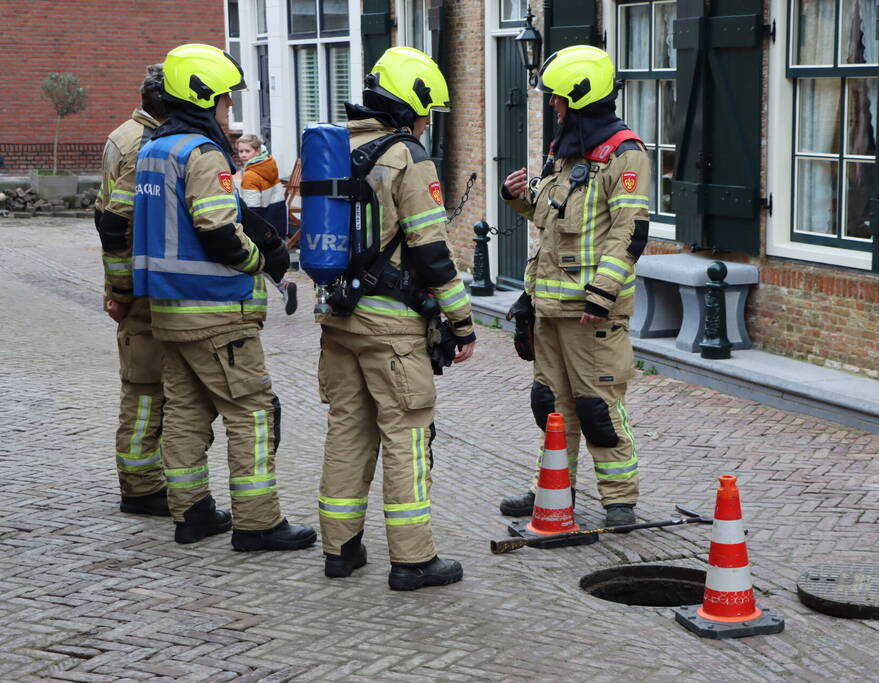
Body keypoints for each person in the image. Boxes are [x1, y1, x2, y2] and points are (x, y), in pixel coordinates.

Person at [132, 43, 315, 550]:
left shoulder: (153, 150)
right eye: (226, 102)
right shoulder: (202, 152)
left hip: (167, 310)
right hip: (216, 312)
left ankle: (191, 513)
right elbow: (217, 230)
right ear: (204, 99)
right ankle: (258, 523)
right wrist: (262, 262)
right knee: (251, 412)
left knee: (186, 412)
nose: (229, 112)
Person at [315, 46, 476, 590]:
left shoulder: (338, 144)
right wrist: (462, 322)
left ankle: (340, 549)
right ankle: (413, 559)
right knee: (406, 434)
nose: (428, 123)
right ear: (412, 104)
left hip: (338, 318)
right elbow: (431, 251)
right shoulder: (407, 156)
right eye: (427, 112)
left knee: (347, 431)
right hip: (391, 327)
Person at [498, 45, 649, 527]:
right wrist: (517, 199)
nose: (554, 107)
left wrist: (602, 295)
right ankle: (553, 488)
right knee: (552, 407)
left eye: (560, 99)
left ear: (581, 99)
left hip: (591, 314)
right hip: (549, 309)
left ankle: (619, 499)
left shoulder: (625, 154)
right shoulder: (565, 151)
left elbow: (630, 230)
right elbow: (550, 217)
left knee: (598, 406)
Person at [94, 64, 171, 516]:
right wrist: (123, 291)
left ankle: (144, 481)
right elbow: (116, 225)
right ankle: (142, 487)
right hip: (144, 291)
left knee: (141, 388)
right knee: (145, 392)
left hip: (131, 285)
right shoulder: (146, 146)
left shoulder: (120, 135)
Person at [234, 133, 287, 238]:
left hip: (262, 227)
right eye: (241, 151)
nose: (243, 155)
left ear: (257, 151)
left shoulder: (250, 175)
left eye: (247, 151)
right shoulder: (269, 165)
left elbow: (251, 207)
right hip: (277, 219)